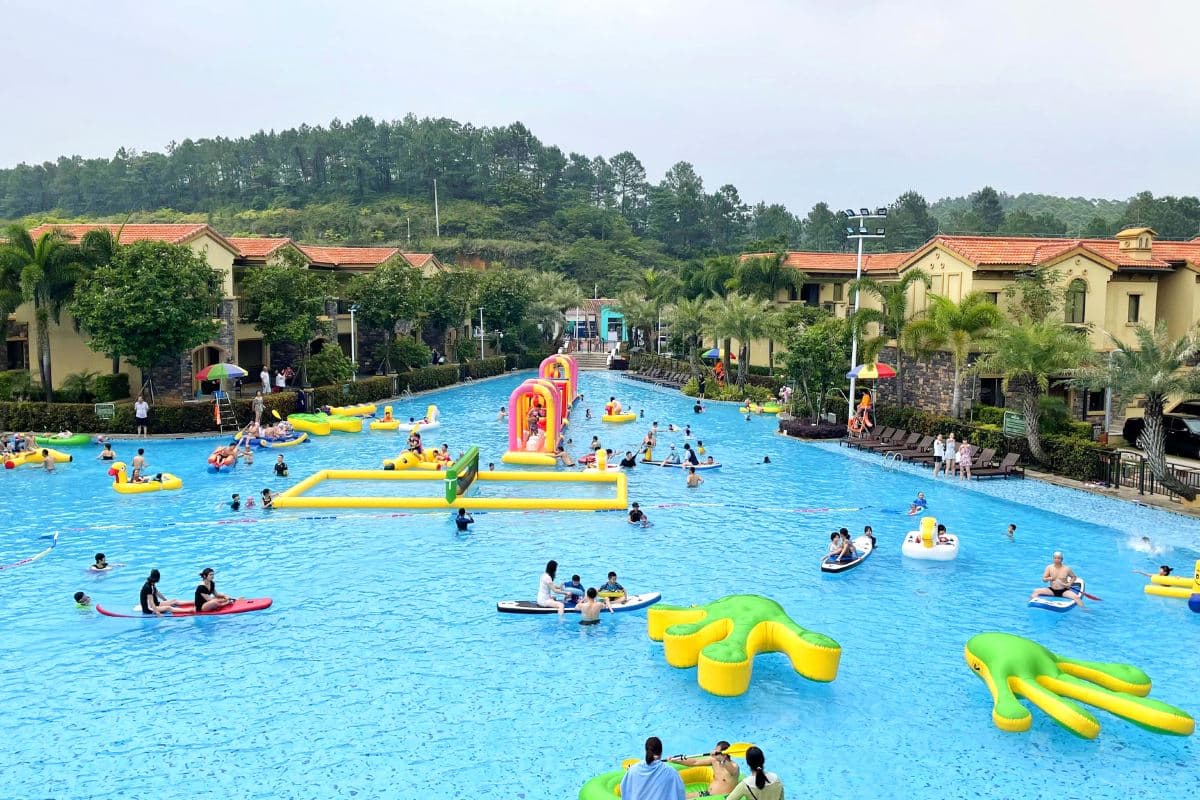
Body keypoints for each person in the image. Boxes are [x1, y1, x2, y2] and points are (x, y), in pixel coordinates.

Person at [668, 741, 739, 799]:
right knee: (680, 797)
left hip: (721, 798)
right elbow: (695, 762)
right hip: (707, 794)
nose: (714, 753)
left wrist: (721, 759)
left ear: (724, 754)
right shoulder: (714, 761)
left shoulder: (734, 767)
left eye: (716, 752)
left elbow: (732, 771)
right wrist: (676, 761)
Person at [621, 737, 685, 800]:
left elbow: (625, 790)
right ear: (661, 751)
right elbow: (679, 793)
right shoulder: (671, 772)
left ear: (646, 751)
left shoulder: (632, 770)